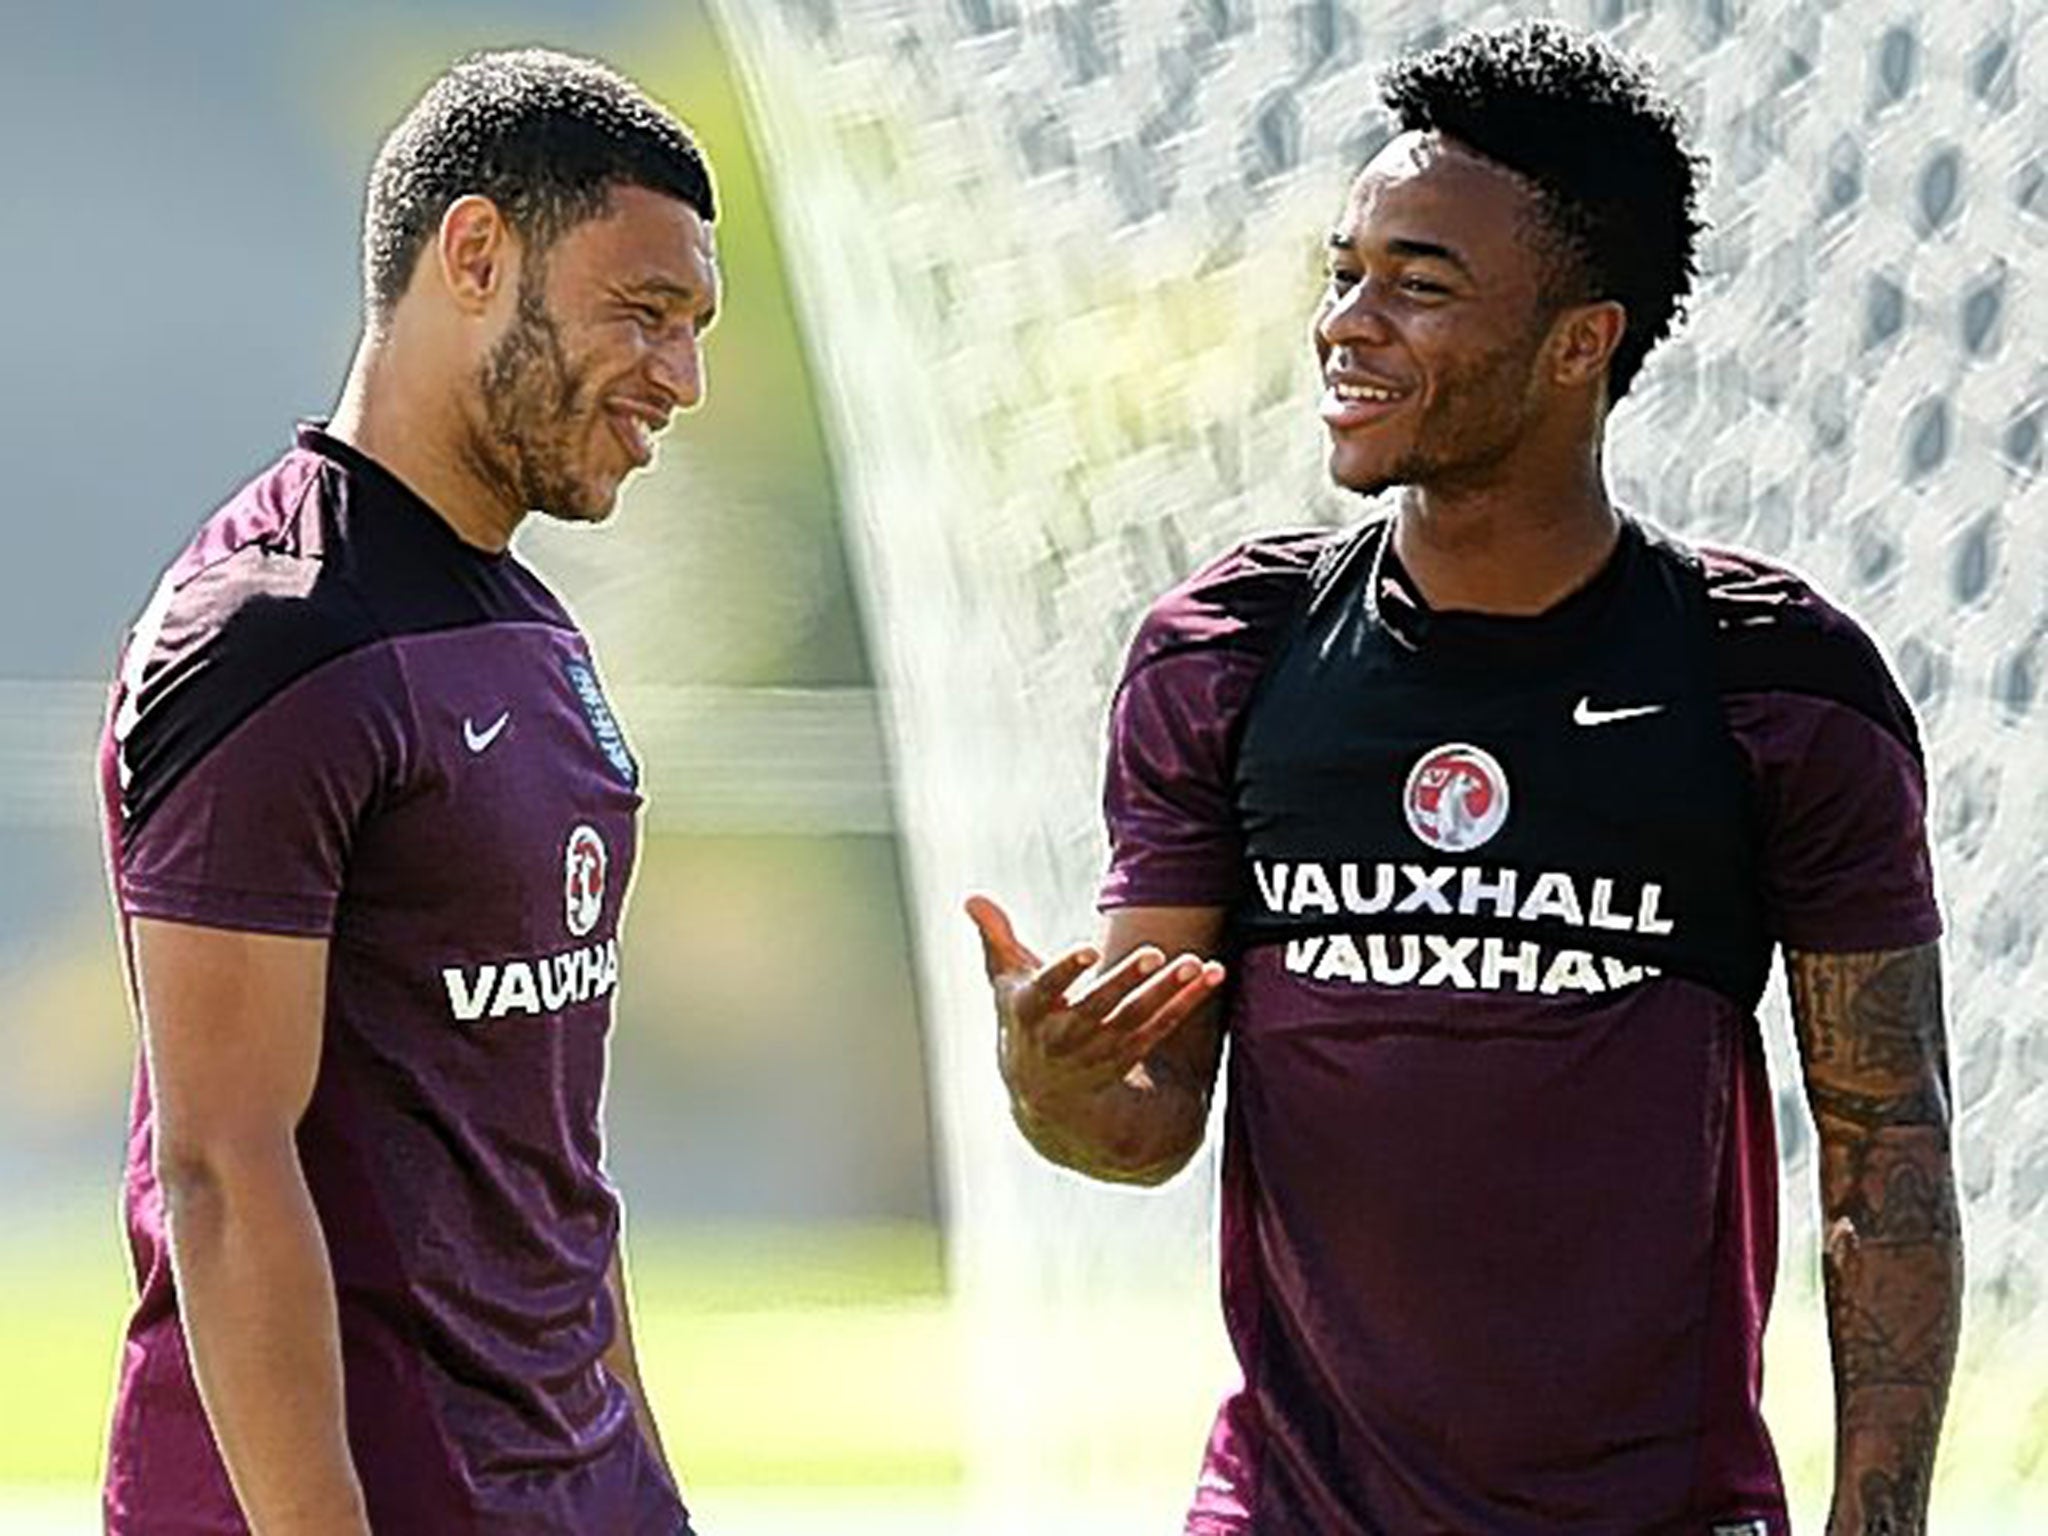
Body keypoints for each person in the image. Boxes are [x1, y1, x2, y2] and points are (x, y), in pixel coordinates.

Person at [969, 21, 1960, 1536]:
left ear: (1581, 343)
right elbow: (1150, 1116)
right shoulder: (1225, 656)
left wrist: (1876, 1522)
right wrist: (1052, 1084)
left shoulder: (1778, 690)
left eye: (1418, 285)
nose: (1347, 325)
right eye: (1343, 271)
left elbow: (1886, 1153)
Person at [99, 48, 718, 1535]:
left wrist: (642, 1483)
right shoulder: (270, 634)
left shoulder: (531, 630)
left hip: (580, 1488)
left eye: (694, 330)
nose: (681, 381)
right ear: (477, 254)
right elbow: (222, 1171)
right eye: (643, 314)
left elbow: (546, 1153)